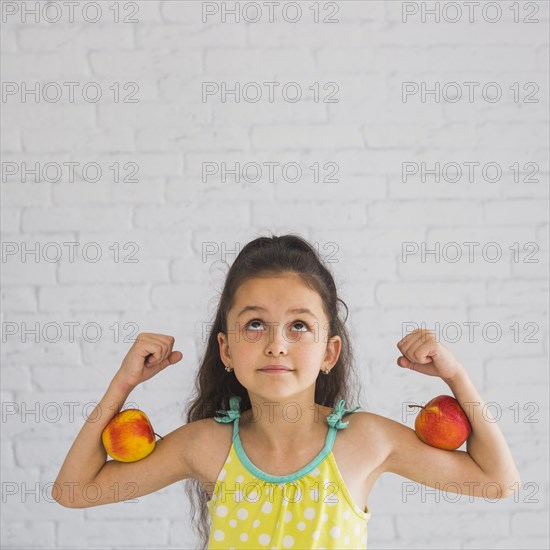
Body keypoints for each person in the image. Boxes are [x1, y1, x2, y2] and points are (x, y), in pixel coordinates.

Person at [52, 232, 521, 550]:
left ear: (329, 352)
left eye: (299, 325)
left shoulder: (365, 441)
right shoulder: (205, 445)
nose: (276, 344)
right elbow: (74, 492)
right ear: (227, 349)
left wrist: (455, 377)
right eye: (254, 324)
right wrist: (123, 383)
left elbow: (497, 482)